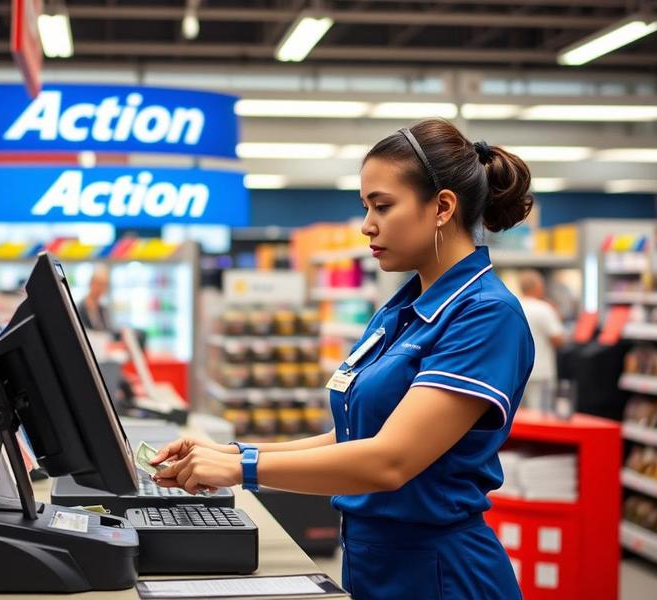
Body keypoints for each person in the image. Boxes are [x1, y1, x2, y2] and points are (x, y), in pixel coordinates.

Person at [151, 118, 535, 600]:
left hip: (441, 574)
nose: (367, 225)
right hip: (372, 562)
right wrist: (231, 452)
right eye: (365, 207)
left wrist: (244, 469)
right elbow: (350, 437)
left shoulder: (485, 315)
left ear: (442, 207)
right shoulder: (400, 311)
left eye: (383, 206)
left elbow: (390, 460)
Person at [518, 269, 565, 411]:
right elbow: (558, 340)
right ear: (537, 287)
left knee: (518, 415)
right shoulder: (544, 308)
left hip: (518, 371)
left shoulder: (514, 306)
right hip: (541, 372)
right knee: (541, 415)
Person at [77, 266, 112, 333]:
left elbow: (108, 330)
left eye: (104, 285)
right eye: (99, 284)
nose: (101, 288)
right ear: (91, 283)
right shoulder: (80, 307)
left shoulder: (103, 309)